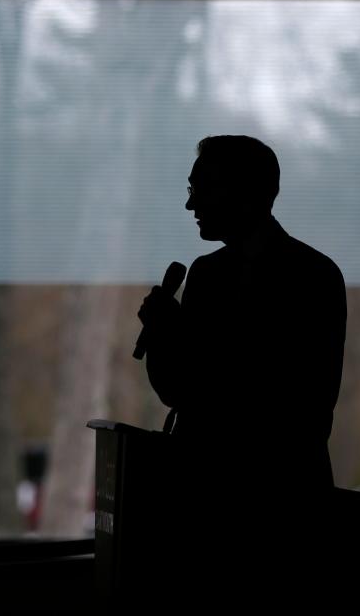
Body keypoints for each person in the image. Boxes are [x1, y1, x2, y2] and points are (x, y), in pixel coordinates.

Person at [136, 134, 347, 605]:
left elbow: (301, 404)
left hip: (281, 514)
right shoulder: (206, 275)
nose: (190, 203)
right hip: (206, 513)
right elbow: (177, 390)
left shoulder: (313, 278)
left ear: (246, 192)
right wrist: (164, 335)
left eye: (201, 188)